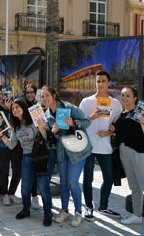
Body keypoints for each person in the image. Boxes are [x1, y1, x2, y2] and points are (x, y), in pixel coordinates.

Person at [0, 100, 53, 226]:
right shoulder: (16, 127)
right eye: (13, 109)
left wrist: (43, 129)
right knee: (25, 188)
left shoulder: (35, 120)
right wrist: (2, 135)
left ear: (23, 107)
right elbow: (12, 145)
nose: (15, 109)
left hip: (40, 157)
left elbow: (48, 139)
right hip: (26, 158)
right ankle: (26, 209)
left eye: (17, 107)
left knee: (43, 187)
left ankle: (48, 214)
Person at [41, 86, 91, 227]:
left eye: (47, 95)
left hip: (77, 152)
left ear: (54, 96)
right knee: (63, 182)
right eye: (42, 97)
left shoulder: (69, 108)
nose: (44, 99)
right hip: (62, 153)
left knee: (73, 183)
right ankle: (64, 210)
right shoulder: (47, 116)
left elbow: (87, 122)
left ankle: (78, 212)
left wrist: (74, 123)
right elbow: (53, 138)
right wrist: (54, 131)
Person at [79, 71, 122, 220]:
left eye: (103, 81)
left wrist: (110, 132)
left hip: (105, 146)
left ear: (109, 83)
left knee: (109, 177)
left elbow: (117, 124)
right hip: (89, 146)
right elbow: (79, 123)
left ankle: (103, 206)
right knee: (88, 178)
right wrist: (92, 117)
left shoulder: (116, 104)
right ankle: (88, 207)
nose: (100, 84)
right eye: (98, 81)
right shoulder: (86, 101)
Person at [112, 86, 144, 224]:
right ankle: (137, 215)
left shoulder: (143, 114)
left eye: (128, 95)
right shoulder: (121, 115)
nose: (125, 98)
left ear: (135, 98)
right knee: (134, 186)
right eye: (123, 95)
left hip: (140, 152)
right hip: (124, 153)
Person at [0, 94, 22, 206]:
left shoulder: (15, 110)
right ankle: (5, 194)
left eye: (4, 98)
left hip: (16, 146)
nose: (2, 101)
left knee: (17, 171)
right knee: (4, 170)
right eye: (0, 99)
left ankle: (11, 193)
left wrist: (10, 108)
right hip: (1, 145)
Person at [24, 84, 40, 209]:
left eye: (31, 92)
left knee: (35, 173)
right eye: (27, 92)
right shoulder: (22, 107)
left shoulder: (39, 106)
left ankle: (35, 196)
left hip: (37, 144)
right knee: (26, 174)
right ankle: (27, 197)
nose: (29, 94)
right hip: (24, 144)